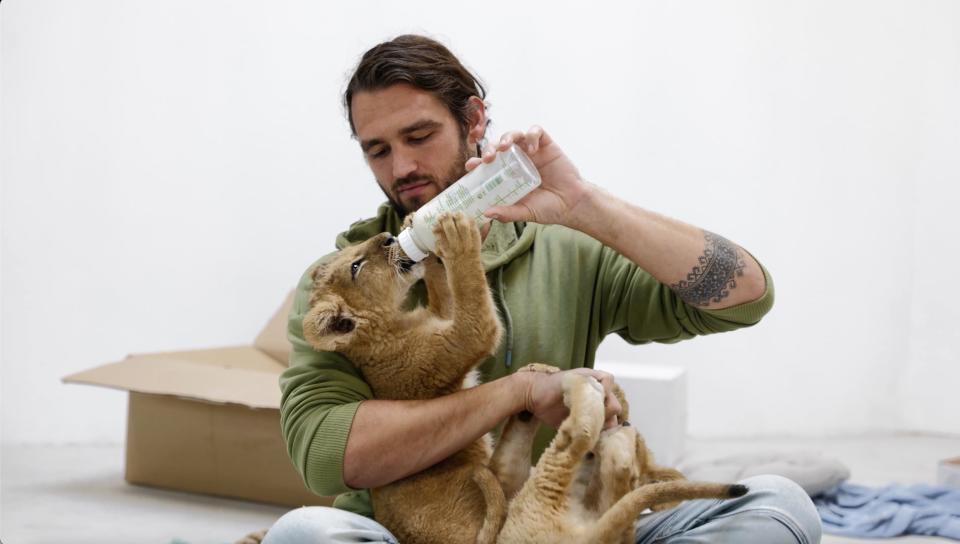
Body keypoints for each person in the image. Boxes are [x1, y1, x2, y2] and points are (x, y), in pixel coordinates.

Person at [263, 34, 821, 544]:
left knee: (778, 506)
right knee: (305, 534)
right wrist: (518, 393)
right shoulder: (342, 286)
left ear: (473, 119)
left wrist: (585, 204)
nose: (401, 166)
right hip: (408, 530)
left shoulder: (564, 245)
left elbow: (746, 295)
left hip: (554, 524)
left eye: (419, 136)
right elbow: (324, 456)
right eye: (377, 150)